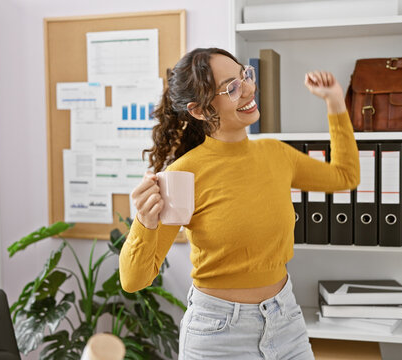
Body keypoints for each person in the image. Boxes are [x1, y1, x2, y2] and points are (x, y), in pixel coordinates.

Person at [119, 48, 359, 360]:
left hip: (285, 321)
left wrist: (335, 102)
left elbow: (345, 176)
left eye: (245, 75)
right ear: (199, 111)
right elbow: (134, 280)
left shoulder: (276, 154)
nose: (248, 89)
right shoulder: (183, 174)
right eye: (232, 87)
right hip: (217, 335)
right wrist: (144, 221)